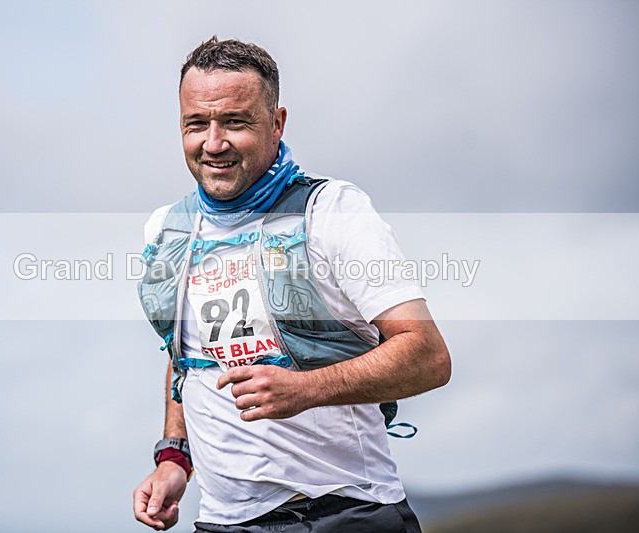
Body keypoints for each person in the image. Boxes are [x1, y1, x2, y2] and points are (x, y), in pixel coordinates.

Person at [133, 36, 451, 532]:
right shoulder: (167, 230)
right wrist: (175, 458)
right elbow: (187, 355)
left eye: (235, 122)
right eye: (197, 124)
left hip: (345, 511)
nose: (213, 143)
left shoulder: (334, 212)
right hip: (224, 522)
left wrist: (307, 388)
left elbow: (428, 356)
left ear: (277, 123)